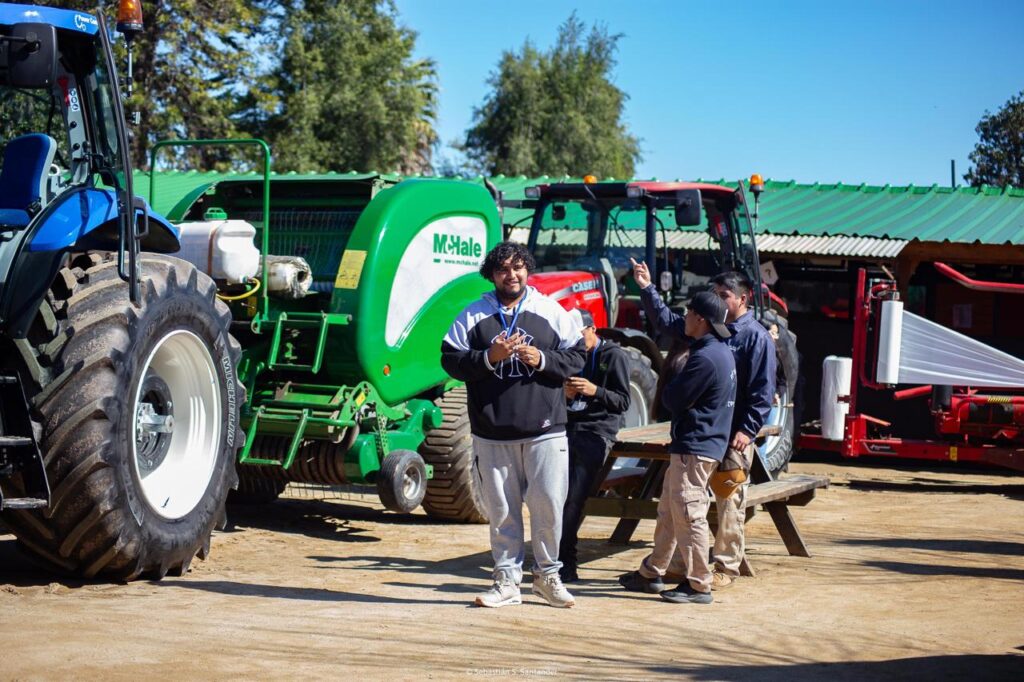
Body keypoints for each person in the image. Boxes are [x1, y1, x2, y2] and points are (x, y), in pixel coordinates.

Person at [441, 241, 586, 609]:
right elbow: (451, 361)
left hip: (546, 428)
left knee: (549, 506)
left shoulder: (550, 310)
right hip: (492, 431)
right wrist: (491, 356)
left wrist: (541, 358)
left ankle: (548, 577)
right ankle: (506, 580)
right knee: (502, 511)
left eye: (519, 267)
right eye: (504, 269)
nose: (512, 274)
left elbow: (577, 356)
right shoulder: (471, 315)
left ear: (528, 270)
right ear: (492, 274)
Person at [630, 259, 777, 590]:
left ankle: (725, 565)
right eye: (715, 294)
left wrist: (747, 430)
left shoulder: (755, 338)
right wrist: (647, 288)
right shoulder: (707, 330)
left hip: (732, 436)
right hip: (706, 431)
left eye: (725, 294)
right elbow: (669, 321)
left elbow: (762, 391)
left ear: (744, 298)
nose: (719, 299)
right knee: (681, 503)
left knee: (729, 501)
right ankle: (678, 564)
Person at [617, 291, 735, 604]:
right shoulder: (720, 351)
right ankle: (652, 570)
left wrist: (672, 384)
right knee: (670, 510)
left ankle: (698, 584)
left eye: (689, 313)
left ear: (701, 319)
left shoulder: (704, 357)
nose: (684, 318)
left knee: (688, 514)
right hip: (703, 444)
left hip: (694, 446)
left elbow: (671, 399)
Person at [559, 308, 631, 583]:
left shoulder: (613, 355)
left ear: (592, 329)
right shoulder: (569, 354)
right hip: (568, 426)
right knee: (553, 493)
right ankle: (555, 557)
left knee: (574, 496)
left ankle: (567, 563)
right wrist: (564, 395)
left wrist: (594, 390)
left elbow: (623, 401)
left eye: (580, 336)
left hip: (597, 431)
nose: (576, 343)